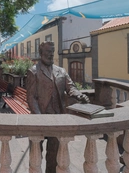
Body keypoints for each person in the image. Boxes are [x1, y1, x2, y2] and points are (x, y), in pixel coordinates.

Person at [26, 41, 89, 173]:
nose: (50, 54)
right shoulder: (34, 71)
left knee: (54, 153)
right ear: (41, 53)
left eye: (52, 52)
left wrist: (79, 95)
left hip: (57, 118)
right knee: (36, 154)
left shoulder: (61, 71)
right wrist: (38, 117)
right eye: (48, 52)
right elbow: (31, 97)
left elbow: (71, 87)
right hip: (39, 118)